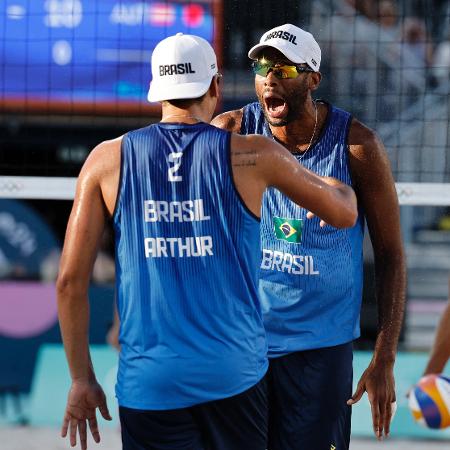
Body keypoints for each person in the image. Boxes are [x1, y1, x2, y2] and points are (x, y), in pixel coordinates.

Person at [56, 32, 357, 450]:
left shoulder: (106, 160)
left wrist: (81, 379)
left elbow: (69, 283)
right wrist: (332, 183)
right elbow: (343, 211)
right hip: (232, 375)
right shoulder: (252, 154)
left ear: (156, 89)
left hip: (150, 381)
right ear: (216, 86)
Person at [212, 23, 406, 450]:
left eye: (284, 67)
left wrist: (385, 355)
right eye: (263, 66)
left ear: (313, 79)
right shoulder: (230, 133)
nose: (271, 77)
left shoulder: (357, 146)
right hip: (246, 344)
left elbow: (391, 254)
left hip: (322, 351)